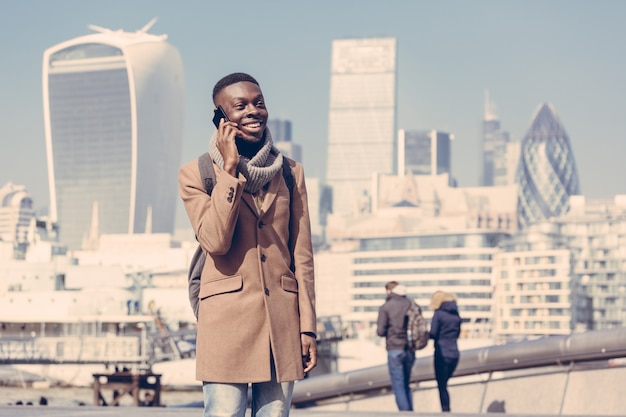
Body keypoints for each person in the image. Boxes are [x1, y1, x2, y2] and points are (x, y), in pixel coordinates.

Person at [178, 72, 317, 417]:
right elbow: (215, 241)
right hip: (226, 322)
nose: (254, 110)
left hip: (282, 322)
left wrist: (308, 327)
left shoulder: (290, 172)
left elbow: (302, 256)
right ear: (220, 118)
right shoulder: (196, 174)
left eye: (259, 103)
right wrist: (228, 169)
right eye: (240, 106)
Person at [376, 281, 415, 411]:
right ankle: (410, 412)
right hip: (410, 348)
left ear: (389, 291)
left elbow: (380, 332)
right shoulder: (411, 304)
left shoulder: (386, 307)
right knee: (406, 384)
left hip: (394, 348)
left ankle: (405, 413)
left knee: (398, 385)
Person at [429, 291, 462, 412]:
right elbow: (457, 334)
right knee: (445, 383)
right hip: (454, 353)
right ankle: (446, 410)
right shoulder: (456, 315)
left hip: (442, 354)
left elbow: (433, 333)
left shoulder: (439, 314)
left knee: (442, 385)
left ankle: (446, 411)